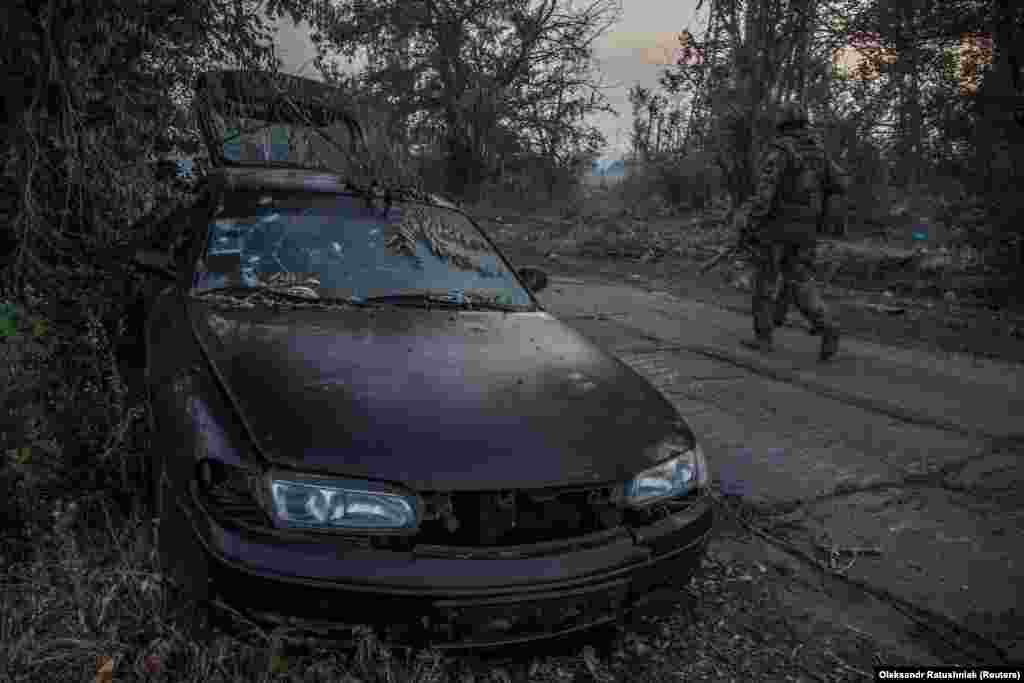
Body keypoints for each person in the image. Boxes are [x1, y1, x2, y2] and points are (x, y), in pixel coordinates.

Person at [736, 102, 846, 361]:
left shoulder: (780, 150)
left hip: (776, 228)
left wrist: (751, 224)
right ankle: (826, 324)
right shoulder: (819, 152)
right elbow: (840, 183)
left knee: (764, 282)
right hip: (807, 229)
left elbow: (765, 194)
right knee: (799, 280)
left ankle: (763, 338)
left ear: (781, 124)